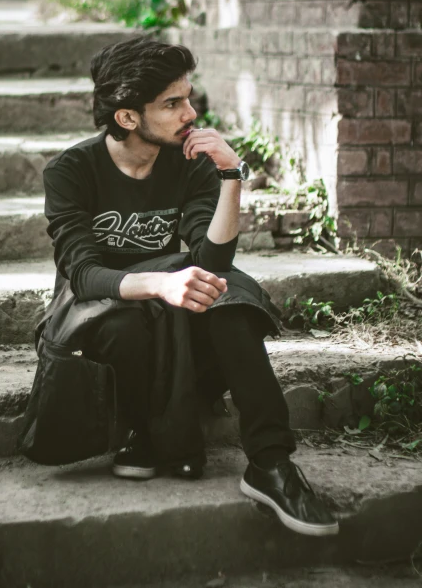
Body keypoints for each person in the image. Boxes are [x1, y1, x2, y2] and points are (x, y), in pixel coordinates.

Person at [41, 36, 338, 538]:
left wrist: (230, 174)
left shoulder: (190, 159)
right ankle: (144, 430)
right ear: (129, 117)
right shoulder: (71, 172)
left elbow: (214, 260)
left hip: (177, 325)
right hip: (104, 332)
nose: (191, 113)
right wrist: (161, 283)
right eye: (172, 103)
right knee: (129, 323)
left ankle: (271, 464)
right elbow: (85, 276)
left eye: (189, 98)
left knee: (228, 297)